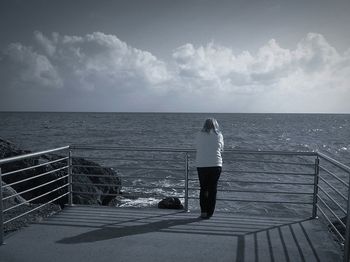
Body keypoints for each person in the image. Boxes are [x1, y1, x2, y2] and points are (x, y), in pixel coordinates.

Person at [195, 118, 224, 219]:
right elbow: (221, 148)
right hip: (216, 164)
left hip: (202, 164)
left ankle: (203, 211)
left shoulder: (199, 134)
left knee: (203, 188)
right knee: (213, 189)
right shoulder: (218, 135)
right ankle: (210, 213)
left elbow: (197, 146)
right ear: (216, 125)